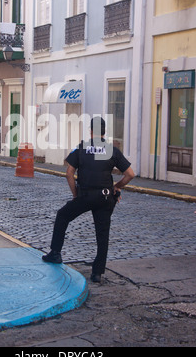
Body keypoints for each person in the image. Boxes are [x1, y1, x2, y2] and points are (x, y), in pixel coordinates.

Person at [42, 116, 135, 283]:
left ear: (91, 130)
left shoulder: (82, 148)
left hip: (85, 195)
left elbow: (69, 173)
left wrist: (75, 194)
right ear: (104, 132)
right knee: (102, 233)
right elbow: (130, 174)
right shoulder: (112, 150)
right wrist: (117, 187)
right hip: (105, 197)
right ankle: (97, 272)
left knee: (63, 215)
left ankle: (55, 253)